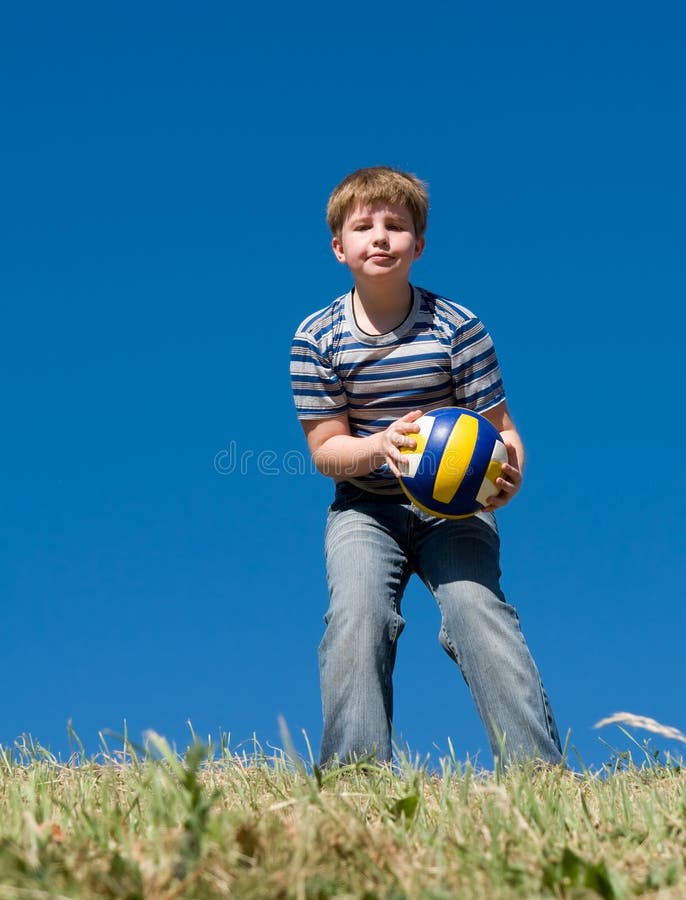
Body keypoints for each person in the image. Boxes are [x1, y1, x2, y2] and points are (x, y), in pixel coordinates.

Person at [290, 165, 562, 768]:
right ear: (339, 247)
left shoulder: (456, 328)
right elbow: (326, 450)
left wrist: (508, 474)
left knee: (476, 609)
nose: (380, 237)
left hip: (456, 509)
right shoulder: (316, 340)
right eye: (364, 227)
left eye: (396, 225)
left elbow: (502, 431)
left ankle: (538, 774)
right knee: (357, 615)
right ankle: (354, 777)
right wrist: (379, 446)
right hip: (365, 508)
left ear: (419, 243)